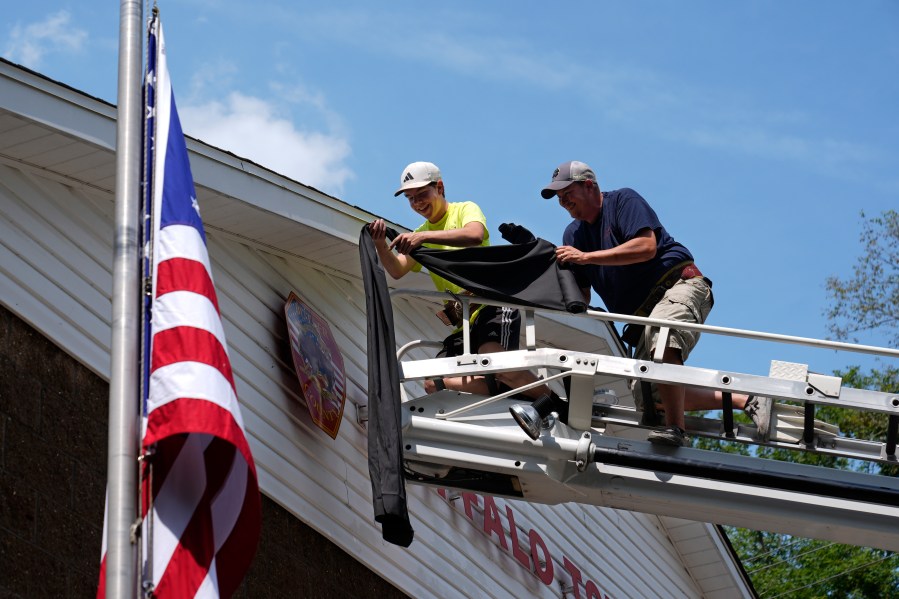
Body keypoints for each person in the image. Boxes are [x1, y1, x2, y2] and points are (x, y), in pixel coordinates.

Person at [510, 160, 771, 447]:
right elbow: (581, 297)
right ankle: (744, 398)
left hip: (678, 285)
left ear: (589, 185)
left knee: (663, 339)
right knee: (647, 395)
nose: (562, 200)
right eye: (558, 197)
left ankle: (675, 430)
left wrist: (585, 257)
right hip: (641, 316)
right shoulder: (573, 235)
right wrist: (540, 264)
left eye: (566, 192)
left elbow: (646, 248)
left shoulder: (623, 201)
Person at [369, 161, 561, 418]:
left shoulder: (463, 211)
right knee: (432, 383)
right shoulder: (420, 234)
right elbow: (397, 270)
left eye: (422, 195)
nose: (417, 204)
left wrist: (423, 239)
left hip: (491, 303)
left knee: (495, 360)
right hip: (465, 322)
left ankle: (557, 405)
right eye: (410, 199)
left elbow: (474, 234)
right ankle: (514, 391)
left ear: (440, 187)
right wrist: (381, 244)